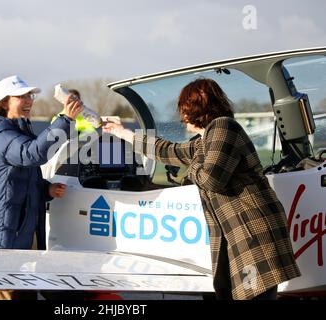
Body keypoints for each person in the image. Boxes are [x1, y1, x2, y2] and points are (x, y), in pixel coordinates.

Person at [103, 78, 301, 300]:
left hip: (252, 232)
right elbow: (168, 150)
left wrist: (191, 167)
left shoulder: (223, 127)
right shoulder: (207, 138)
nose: (181, 116)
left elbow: (211, 179)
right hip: (239, 233)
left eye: (183, 109)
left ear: (195, 107)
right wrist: (122, 133)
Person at [0, 75, 83, 300]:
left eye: (30, 95)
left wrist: (46, 190)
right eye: (21, 96)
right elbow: (30, 154)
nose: (29, 100)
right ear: (4, 102)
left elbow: (18, 178)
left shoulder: (18, 129)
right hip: (4, 238)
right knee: (6, 294)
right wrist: (64, 120)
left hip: (19, 234)